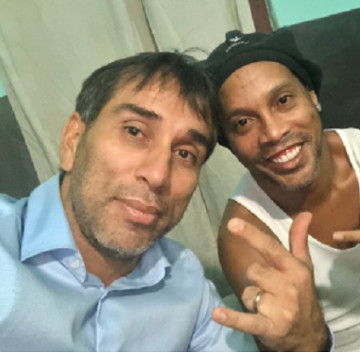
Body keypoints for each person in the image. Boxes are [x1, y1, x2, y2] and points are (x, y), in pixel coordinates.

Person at [202, 28, 360, 351]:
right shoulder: (244, 235)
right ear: (230, 144)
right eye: (243, 123)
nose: (273, 132)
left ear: (312, 96)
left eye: (283, 100)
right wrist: (304, 336)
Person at [0, 52, 258, 351]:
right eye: (134, 131)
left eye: (185, 154)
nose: (158, 175)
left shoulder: (189, 287)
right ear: (73, 139)